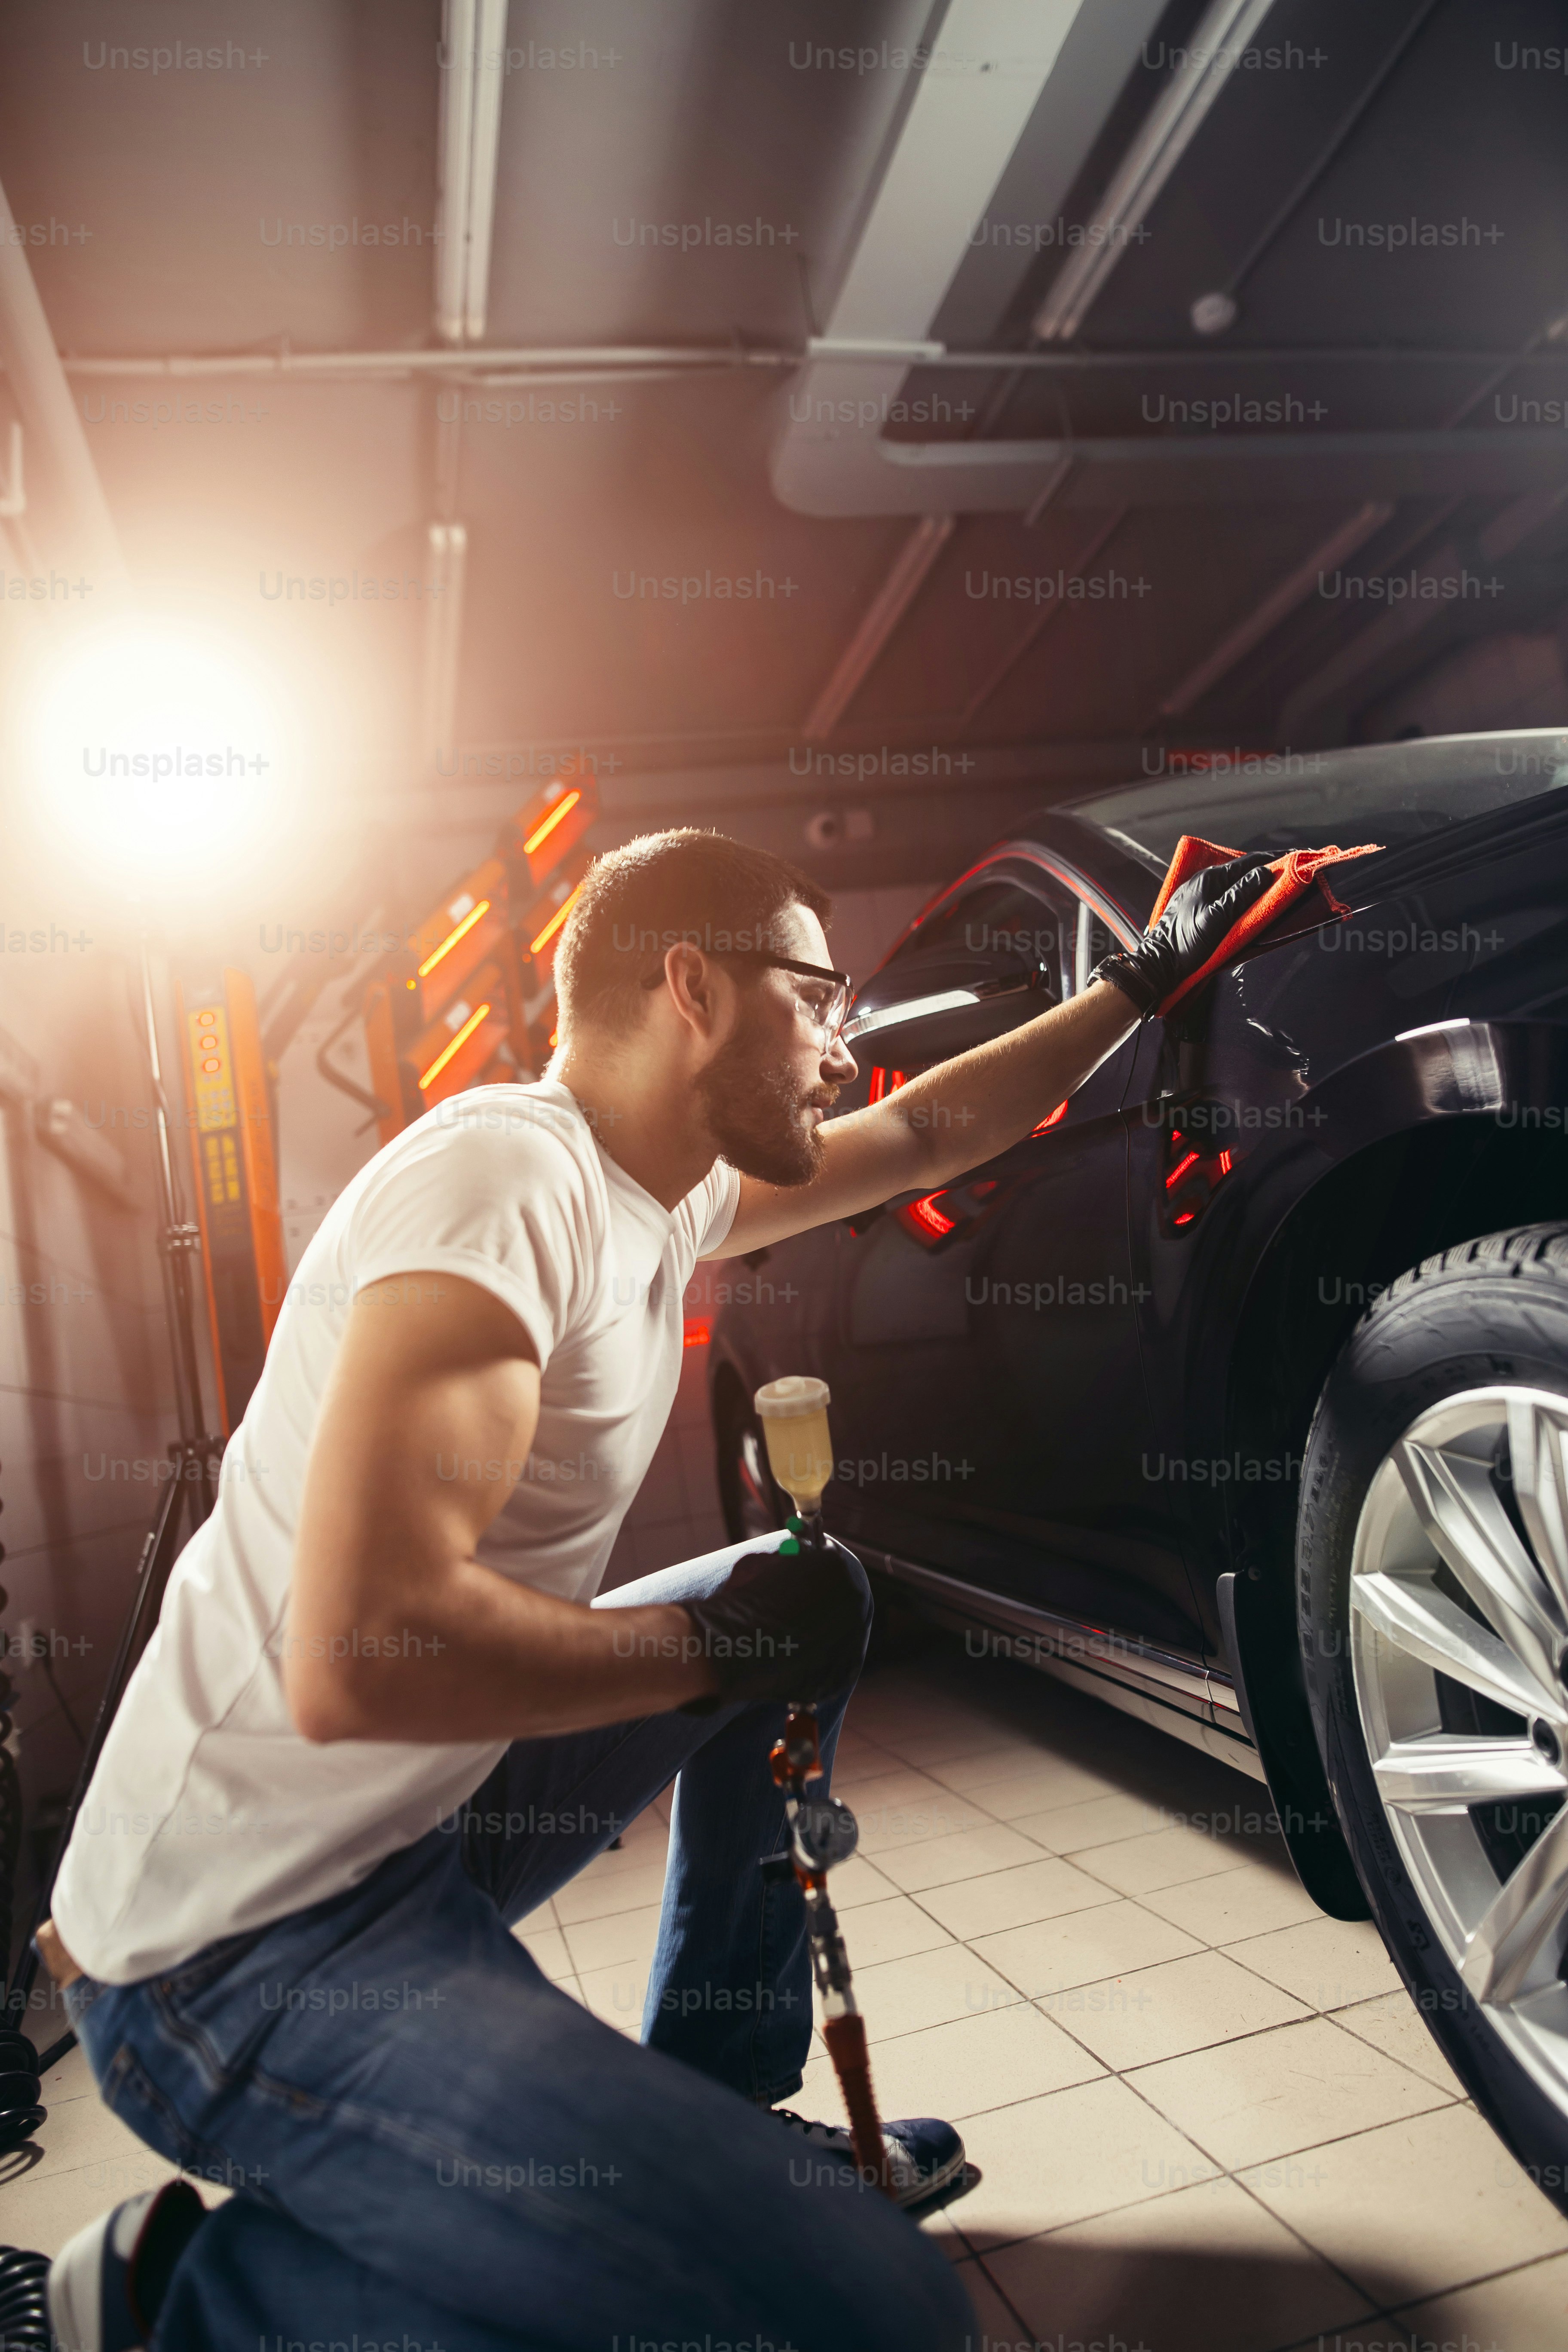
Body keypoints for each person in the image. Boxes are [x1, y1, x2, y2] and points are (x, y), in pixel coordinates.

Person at [34, 829, 1268, 2351]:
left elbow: (933, 1134)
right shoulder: (500, 1180)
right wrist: (707, 1647)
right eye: (816, 995)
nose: (842, 1041)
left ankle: (717, 2097)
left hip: (417, 1828)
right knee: (868, 2314)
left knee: (799, 1583)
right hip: (233, 1945)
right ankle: (179, 2305)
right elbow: (364, 1652)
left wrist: (1142, 983)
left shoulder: (662, 1190)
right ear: (691, 985)